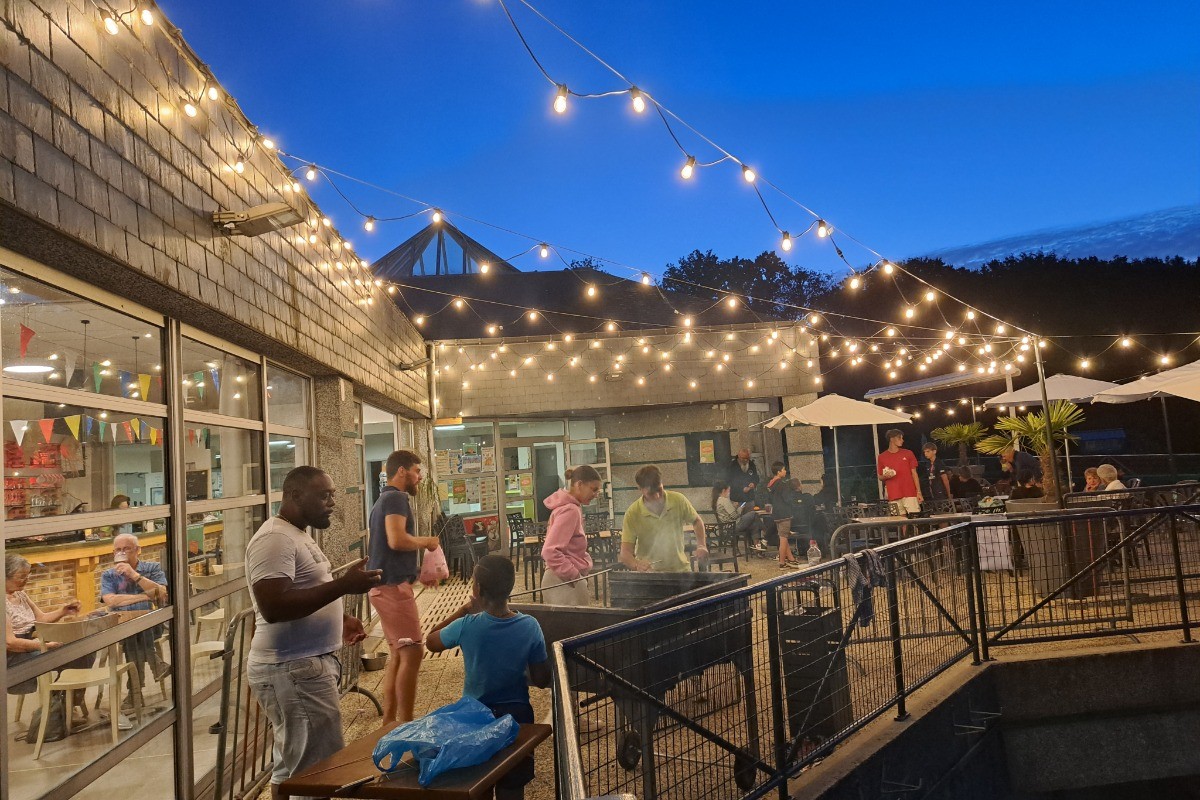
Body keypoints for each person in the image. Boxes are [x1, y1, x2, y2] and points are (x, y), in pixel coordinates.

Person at [245, 466, 382, 800]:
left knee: (291, 770)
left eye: (332, 495)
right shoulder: (275, 539)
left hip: (298, 668)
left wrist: (339, 617)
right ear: (295, 495)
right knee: (317, 775)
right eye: (324, 496)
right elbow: (273, 606)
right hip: (293, 669)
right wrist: (343, 586)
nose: (332, 503)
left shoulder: (296, 534)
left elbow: (303, 590)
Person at [428, 556, 551, 800]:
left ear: (478, 589)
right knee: (512, 786)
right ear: (510, 587)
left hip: (475, 719)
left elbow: (431, 641)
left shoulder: (467, 625)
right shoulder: (530, 626)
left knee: (479, 783)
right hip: (517, 720)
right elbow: (541, 679)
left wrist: (464, 610)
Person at [367, 450, 441, 726]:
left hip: (384, 587)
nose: (419, 477)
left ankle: (390, 723)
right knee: (412, 652)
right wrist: (427, 542)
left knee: (399, 654)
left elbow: (388, 549)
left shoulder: (382, 500)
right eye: (416, 471)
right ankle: (407, 724)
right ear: (401, 471)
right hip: (392, 589)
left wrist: (418, 572)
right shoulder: (396, 498)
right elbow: (396, 540)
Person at [6, 554, 87, 734]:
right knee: (71, 656)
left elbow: (41, 619)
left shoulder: (20, 594)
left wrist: (63, 611)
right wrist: (43, 646)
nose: (26, 580)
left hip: (34, 643)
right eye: (22, 576)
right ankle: (58, 709)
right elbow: (9, 643)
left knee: (83, 650)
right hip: (15, 656)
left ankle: (60, 706)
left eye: (27, 575)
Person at [100, 533, 170, 711]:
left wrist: (134, 575)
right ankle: (156, 663)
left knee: (137, 627)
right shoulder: (109, 575)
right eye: (118, 550)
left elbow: (162, 593)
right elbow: (110, 601)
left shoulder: (152, 568)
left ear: (138, 550)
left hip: (152, 626)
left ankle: (134, 694)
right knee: (134, 626)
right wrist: (144, 597)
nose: (121, 553)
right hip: (122, 628)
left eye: (127, 549)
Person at [619, 465, 707, 572]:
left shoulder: (678, 500)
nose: (657, 496)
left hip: (680, 570)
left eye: (659, 490)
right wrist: (636, 565)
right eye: (651, 493)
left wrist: (701, 545)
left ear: (662, 483)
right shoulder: (633, 513)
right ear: (640, 489)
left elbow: (697, 521)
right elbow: (625, 553)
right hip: (650, 574)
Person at [540, 465, 601, 606]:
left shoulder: (568, 507)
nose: (596, 494)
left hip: (560, 577)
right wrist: (574, 575)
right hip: (563, 580)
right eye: (594, 489)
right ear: (579, 485)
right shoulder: (570, 510)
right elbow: (550, 551)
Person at [877, 429, 923, 516]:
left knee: (915, 518)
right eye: (899, 438)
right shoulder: (882, 457)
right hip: (893, 494)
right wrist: (886, 476)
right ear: (891, 439)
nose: (902, 440)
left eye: (902, 438)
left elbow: (914, 473)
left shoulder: (908, 453)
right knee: (899, 520)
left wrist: (918, 492)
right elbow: (880, 477)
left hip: (910, 493)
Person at [712, 480, 766, 553]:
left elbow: (728, 514)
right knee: (753, 513)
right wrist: (740, 508)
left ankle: (758, 548)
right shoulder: (724, 500)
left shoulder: (718, 500)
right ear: (724, 490)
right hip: (733, 525)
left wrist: (734, 506)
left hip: (728, 526)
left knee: (754, 524)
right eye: (729, 491)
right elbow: (734, 516)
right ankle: (766, 532)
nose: (729, 493)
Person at [767, 462, 800, 568]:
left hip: (776, 513)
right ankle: (782, 562)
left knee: (783, 536)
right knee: (783, 538)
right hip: (784, 513)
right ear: (779, 472)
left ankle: (791, 559)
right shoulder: (783, 484)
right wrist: (794, 502)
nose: (785, 471)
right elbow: (787, 499)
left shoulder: (770, 484)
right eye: (784, 469)